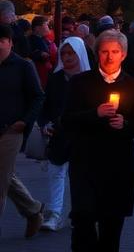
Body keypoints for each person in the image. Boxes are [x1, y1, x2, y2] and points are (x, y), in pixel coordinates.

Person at [63, 29, 134, 250]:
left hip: (118, 166)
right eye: (104, 51)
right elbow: (67, 119)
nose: (109, 57)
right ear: (96, 53)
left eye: (115, 51)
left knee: (111, 228)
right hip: (86, 163)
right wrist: (95, 114)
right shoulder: (80, 82)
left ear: (124, 54)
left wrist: (125, 124)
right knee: (83, 223)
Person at [38, 36, 91, 231]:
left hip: (83, 136)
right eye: (64, 53)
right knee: (56, 174)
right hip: (59, 135)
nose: (67, 57)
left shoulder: (90, 79)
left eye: (71, 53)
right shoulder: (56, 78)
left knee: (81, 177)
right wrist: (44, 124)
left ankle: (80, 213)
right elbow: (45, 105)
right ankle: (55, 213)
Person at [0, 23, 46, 238]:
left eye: (2, 41)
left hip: (11, 130)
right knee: (5, 175)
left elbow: (38, 96)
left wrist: (24, 121)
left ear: (10, 43)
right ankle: (33, 210)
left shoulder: (22, 66)